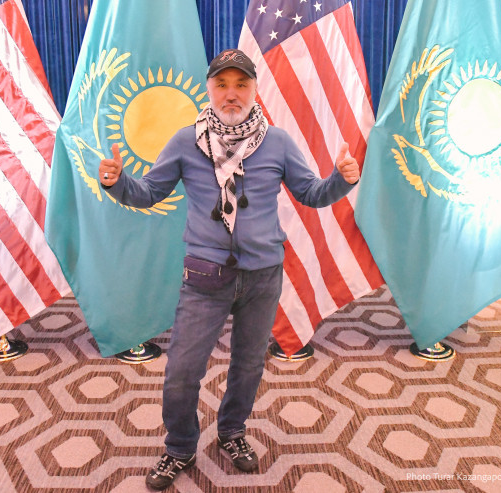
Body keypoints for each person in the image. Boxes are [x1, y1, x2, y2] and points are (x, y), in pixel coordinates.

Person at [99, 48, 361, 491]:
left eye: (241, 84)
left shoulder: (277, 142)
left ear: (255, 89)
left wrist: (342, 179)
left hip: (262, 277)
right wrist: (116, 182)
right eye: (222, 84)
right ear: (209, 89)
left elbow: (311, 193)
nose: (231, 94)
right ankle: (180, 446)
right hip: (205, 276)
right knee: (182, 371)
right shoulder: (186, 141)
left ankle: (232, 431)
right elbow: (148, 193)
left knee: (248, 364)